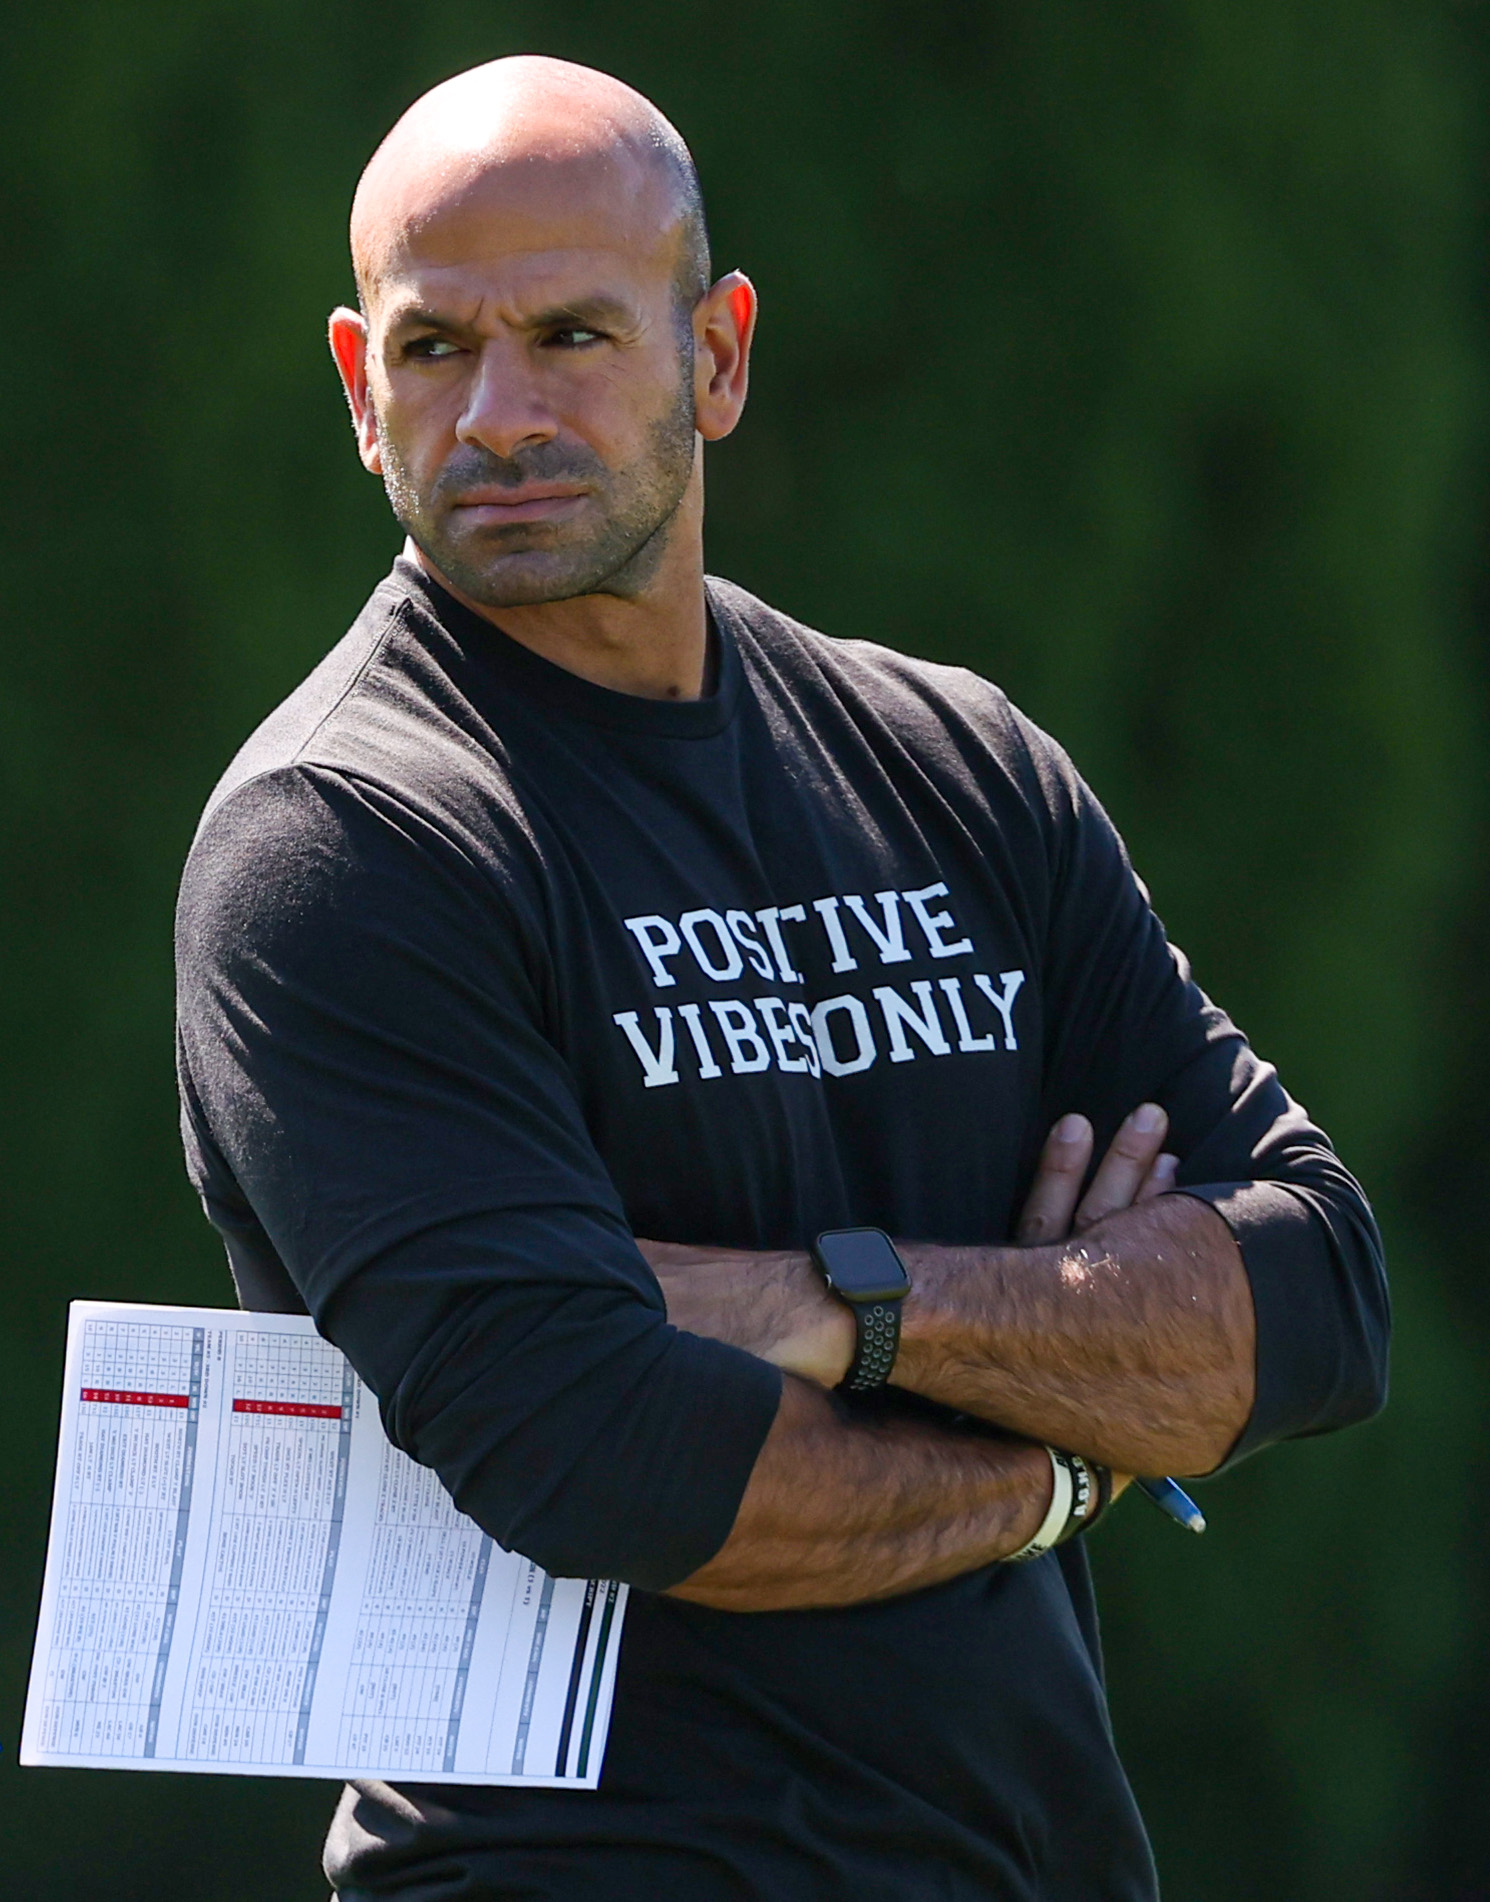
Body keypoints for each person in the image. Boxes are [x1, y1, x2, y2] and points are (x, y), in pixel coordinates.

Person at [174, 54, 1388, 1902]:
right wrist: (1064, 1453)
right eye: (434, 350)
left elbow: (1315, 1292)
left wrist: (835, 1305)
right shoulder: (347, 841)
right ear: (359, 386)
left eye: (573, 334)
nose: (497, 413)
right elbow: (601, 1455)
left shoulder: (958, 765)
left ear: (716, 358)